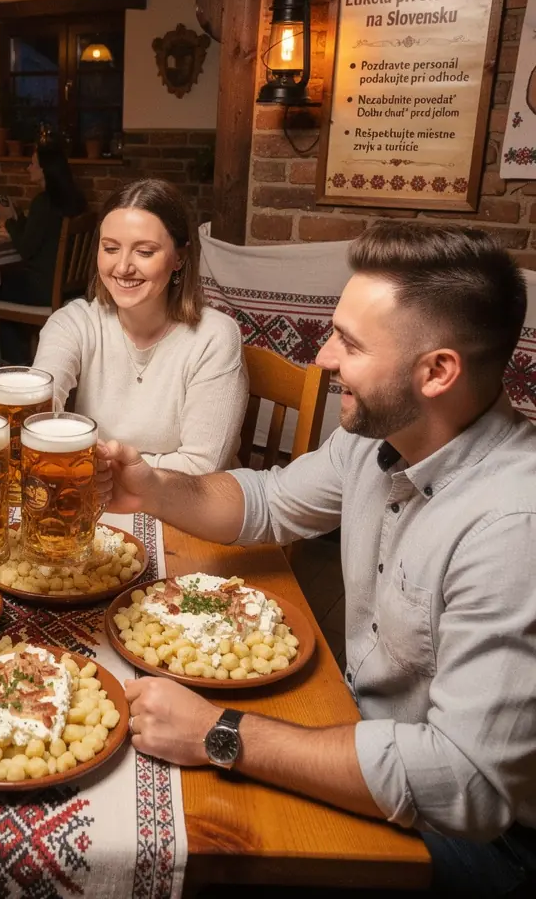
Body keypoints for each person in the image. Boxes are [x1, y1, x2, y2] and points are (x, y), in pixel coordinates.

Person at [101, 223, 536, 897]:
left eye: (351, 344)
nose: (324, 357)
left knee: (200, 859)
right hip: (369, 730)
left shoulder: (514, 525)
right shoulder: (383, 433)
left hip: (485, 845)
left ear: (438, 371)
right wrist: (149, 487)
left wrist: (220, 733)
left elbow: (464, 782)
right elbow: (270, 502)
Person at [33, 178, 247, 475]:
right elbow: (39, 413)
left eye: (144, 252)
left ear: (179, 258)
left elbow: (202, 467)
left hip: (183, 507)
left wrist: (94, 464)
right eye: (110, 248)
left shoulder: (215, 337)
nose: (122, 267)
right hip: (98, 496)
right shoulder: (73, 323)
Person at [0, 142, 87, 362]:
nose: (28, 168)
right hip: (67, 289)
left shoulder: (43, 202)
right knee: (4, 284)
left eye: (33, 163)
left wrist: (8, 219)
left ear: (45, 169)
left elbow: (25, 250)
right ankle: (20, 356)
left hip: (42, 289)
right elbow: (37, 238)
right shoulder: (75, 200)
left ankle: (12, 361)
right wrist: (17, 218)